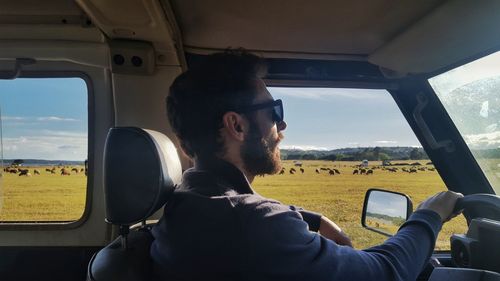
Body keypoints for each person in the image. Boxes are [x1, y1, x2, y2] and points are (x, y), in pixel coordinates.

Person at [150, 49, 463, 280]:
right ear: (237, 126)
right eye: (274, 111)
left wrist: (313, 219)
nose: (282, 125)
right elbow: (386, 272)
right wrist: (428, 215)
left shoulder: (186, 204)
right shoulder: (250, 224)